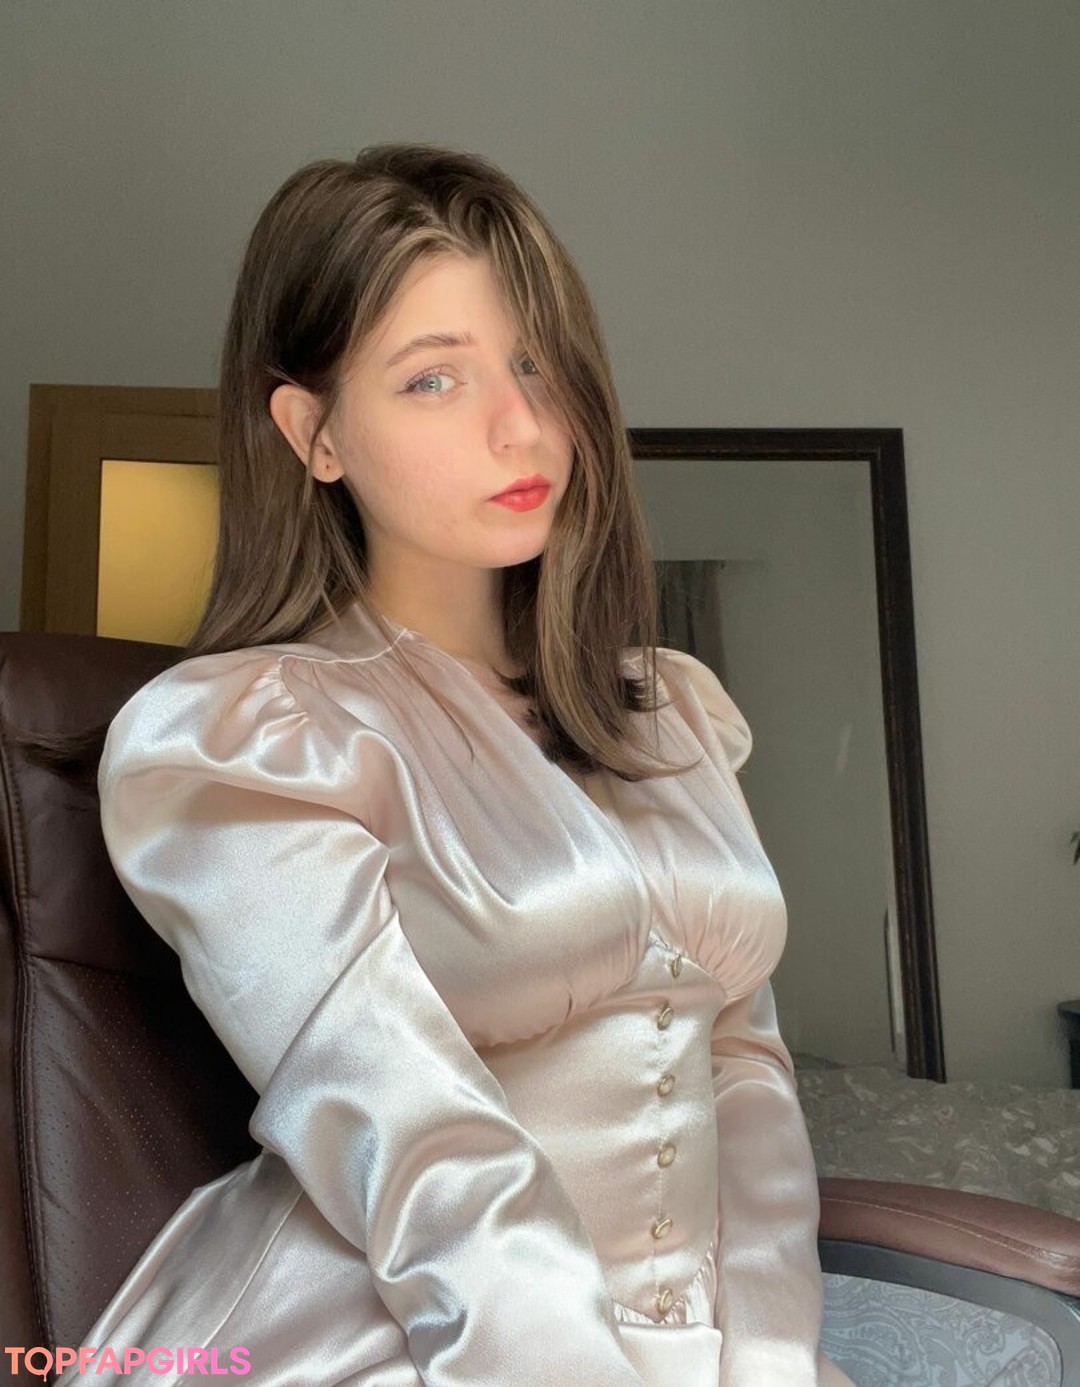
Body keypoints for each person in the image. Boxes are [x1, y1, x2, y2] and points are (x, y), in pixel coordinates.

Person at [62, 144, 853, 1387]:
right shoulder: (252, 740)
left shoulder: (671, 719)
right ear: (314, 434)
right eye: (433, 378)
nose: (519, 423)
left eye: (535, 363)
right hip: (405, 1335)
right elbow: (397, 1121)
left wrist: (765, 1360)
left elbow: (744, 1068)